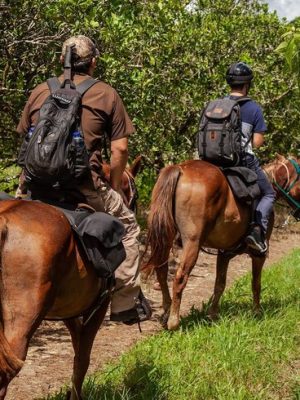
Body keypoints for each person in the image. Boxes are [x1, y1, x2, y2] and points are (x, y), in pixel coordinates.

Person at [16, 35, 152, 325]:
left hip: (34, 181)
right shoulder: (106, 94)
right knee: (128, 227)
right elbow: (120, 149)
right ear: (93, 62)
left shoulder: (41, 90)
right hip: (82, 184)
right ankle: (124, 302)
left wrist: (24, 183)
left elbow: (25, 138)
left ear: (60, 60)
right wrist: (113, 187)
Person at [225, 61, 276, 254]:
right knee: (269, 193)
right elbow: (257, 143)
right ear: (247, 85)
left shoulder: (219, 104)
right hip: (242, 160)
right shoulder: (253, 108)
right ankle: (256, 232)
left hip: (215, 159)